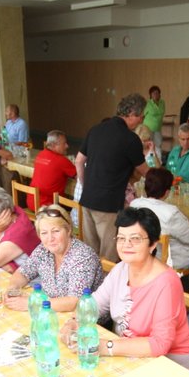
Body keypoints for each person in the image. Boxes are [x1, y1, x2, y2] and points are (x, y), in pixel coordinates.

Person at [60, 207, 189, 369]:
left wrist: (106, 346)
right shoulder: (121, 269)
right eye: (121, 238)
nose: (126, 245)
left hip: (169, 362)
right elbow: (94, 305)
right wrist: (74, 322)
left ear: (153, 244)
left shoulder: (167, 283)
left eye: (135, 239)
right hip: (128, 352)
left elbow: (160, 344)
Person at [75, 93, 149, 261]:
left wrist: (86, 186)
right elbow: (145, 171)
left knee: (90, 253)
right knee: (108, 256)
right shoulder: (130, 139)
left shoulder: (95, 129)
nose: (142, 121)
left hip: (87, 199)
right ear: (132, 114)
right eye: (141, 117)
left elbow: (79, 161)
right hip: (107, 204)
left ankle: (89, 279)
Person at [6, 205, 105, 313]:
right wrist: (12, 289)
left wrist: (32, 303)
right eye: (44, 233)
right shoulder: (43, 250)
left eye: (56, 231)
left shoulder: (83, 257)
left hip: (84, 317)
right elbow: (23, 273)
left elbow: (74, 302)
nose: (50, 238)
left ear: (68, 230)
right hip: (51, 311)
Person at [130, 168, 189, 270]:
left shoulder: (134, 204)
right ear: (167, 192)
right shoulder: (171, 213)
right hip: (170, 258)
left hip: (145, 253)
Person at [29, 129, 76, 211]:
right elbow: (79, 175)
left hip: (32, 202)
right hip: (48, 207)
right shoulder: (61, 160)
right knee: (74, 207)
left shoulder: (40, 154)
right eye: (64, 143)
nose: (67, 146)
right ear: (54, 145)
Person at [143, 85, 165, 155]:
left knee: (158, 144)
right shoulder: (148, 103)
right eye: (153, 93)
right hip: (148, 128)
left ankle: (158, 158)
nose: (155, 94)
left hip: (158, 128)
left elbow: (162, 113)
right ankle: (148, 159)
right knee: (148, 144)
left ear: (159, 94)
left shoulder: (162, 102)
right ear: (150, 95)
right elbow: (142, 115)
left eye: (157, 93)